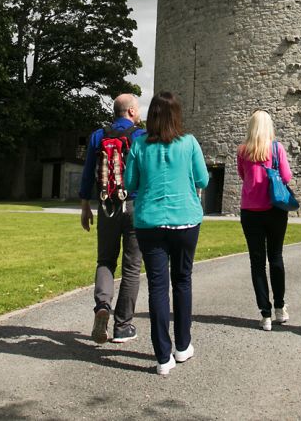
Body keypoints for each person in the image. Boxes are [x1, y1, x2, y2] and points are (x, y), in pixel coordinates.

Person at [124, 90, 209, 376]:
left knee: (158, 287)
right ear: (177, 114)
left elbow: (130, 182)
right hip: (185, 220)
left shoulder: (139, 146)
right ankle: (183, 346)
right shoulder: (189, 142)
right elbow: (203, 178)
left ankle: (163, 357)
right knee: (182, 281)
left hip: (150, 222)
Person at [78, 93, 145, 346]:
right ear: (129, 112)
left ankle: (102, 306)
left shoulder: (98, 136)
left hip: (107, 205)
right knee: (131, 266)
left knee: (105, 260)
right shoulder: (140, 136)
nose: (138, 113)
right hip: (134, 205)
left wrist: (86, 205)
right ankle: (123, 326)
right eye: (137, 109)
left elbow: (87, 174)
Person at [236, 109, 293, 330]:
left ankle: (265, 313)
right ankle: (280, 307)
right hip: (275, 208)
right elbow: (286, 177)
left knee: (257, 262)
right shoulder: (277, 148)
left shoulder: (242, 151)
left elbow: (242, 176)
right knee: (276, 257)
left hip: (250, 211)